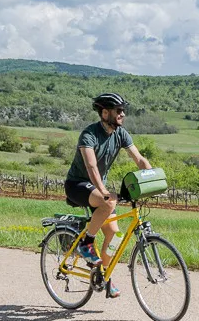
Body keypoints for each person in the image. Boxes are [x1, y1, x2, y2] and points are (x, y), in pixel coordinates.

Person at [65, 91, 152, 298]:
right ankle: (86, 244)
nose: (123, 115)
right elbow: (91, 165)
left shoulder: (121, 134)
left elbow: (139, 159)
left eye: (123, 111)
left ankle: (104, 276)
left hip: (97, 189)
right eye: (119, 111)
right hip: (78, 185)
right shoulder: (89, 134)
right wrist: (104, 192)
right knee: (108, 202)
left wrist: (151, 179)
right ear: (105, 113)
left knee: (115, 235)